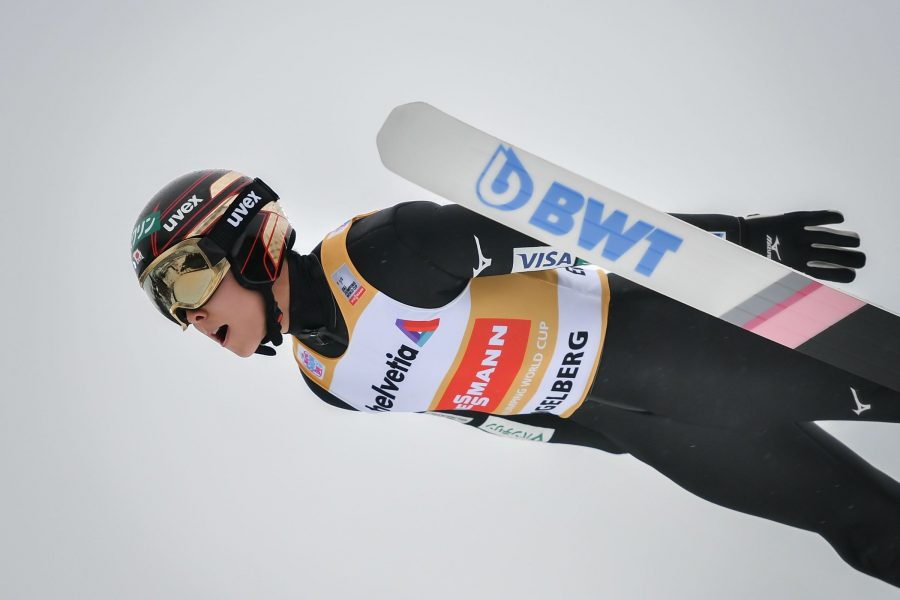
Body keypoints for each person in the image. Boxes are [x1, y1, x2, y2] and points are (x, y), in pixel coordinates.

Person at [132, 169, 900, 587]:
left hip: (675, 348)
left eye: (188, 278)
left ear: (247, 241)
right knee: (870, 533)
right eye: (172, 306)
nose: (191, 315)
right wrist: (615, 437)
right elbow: (484, 410)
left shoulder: (384, 252)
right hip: (648, 426)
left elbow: (585, 236)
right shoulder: (326, 377)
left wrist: (742, 243)